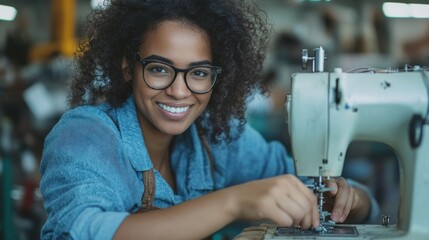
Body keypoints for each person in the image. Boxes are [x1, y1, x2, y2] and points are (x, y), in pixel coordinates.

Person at [39, 0, 379, 239]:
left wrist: (352, 198)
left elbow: (315, 185)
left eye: (198, 73)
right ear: (128, 67)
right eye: (159, 69)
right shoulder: (85, 135)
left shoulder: (217, 138)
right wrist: (232, 202)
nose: (179, 90)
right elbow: (82, 231)